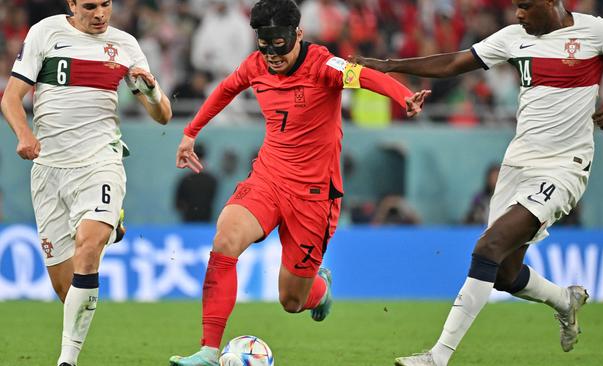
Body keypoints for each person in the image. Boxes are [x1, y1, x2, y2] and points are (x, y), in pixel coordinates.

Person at [353, 1, 603, 365]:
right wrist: (389, 67)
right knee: (505, 274)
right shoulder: (513, 38)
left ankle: (437, 357)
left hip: (563, 167)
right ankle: (564, 299)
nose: (518, 15)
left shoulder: (598, 31)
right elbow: (452, 63)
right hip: (517, 163)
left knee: (487, 249)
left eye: (525, 7)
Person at [169, 0, 429, 365]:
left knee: (291, 301)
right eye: (265, 43)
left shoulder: (324, 65)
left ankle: (319, 291)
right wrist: (190, 133)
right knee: (225, 238)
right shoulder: (256, 64)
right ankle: (210, 351)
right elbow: (226, 89)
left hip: (314, 195)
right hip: (269, 177)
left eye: (280, 43)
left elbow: (366, 76)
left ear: (298, 35)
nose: (272, 53)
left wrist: (402, 96)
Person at [0, 0, 172, 365]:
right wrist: (24, 134)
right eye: (90, 6)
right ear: (72, 4)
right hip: (48, 169)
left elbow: (163, 116)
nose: (100, 14)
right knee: (67, 289)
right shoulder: (45, 32)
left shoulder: (125, 44)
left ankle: (67, 361)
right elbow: (10, 99)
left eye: (106, 5)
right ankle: (111, 223)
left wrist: (153, 92)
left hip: (99, 161)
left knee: (89, 247)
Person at [175, 142, 219, 222]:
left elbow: (178, 204)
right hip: (206, 221)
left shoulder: (185, 180)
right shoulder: (212, 180)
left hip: (189, 221)